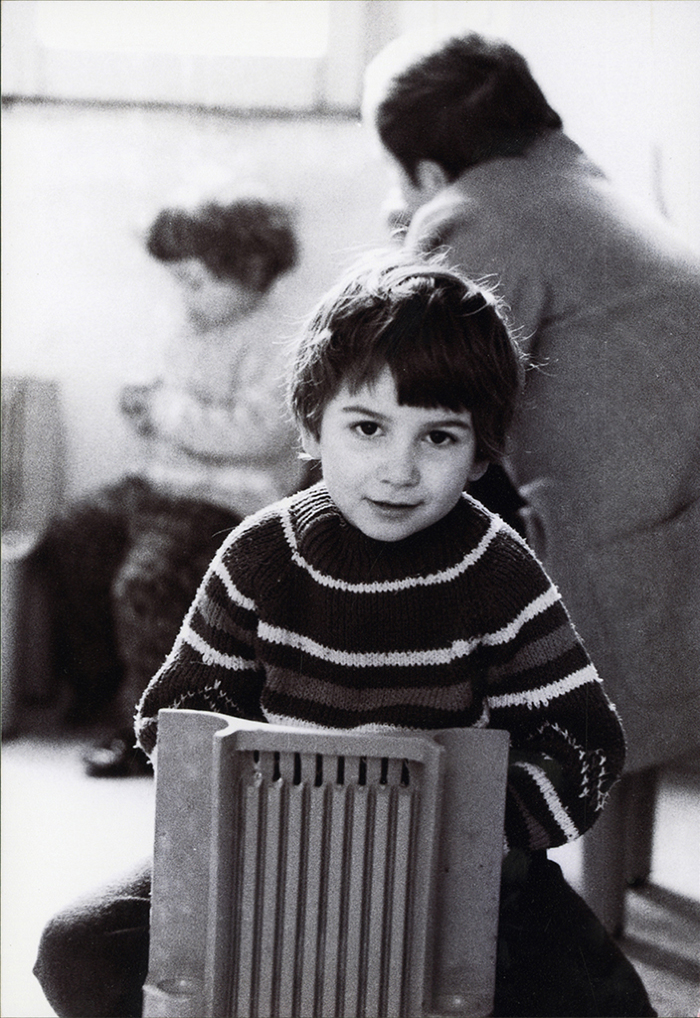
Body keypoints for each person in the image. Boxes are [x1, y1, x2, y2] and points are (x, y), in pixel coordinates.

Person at [34, 254, 654, 1017]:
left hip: (456, 874)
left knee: (599, 1002)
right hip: (269, 860)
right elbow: (177, 712)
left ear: (483, 448)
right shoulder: (261, 554)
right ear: (311, 424)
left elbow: (585, 744)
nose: (398, 469)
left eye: (439, 438)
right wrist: (272, 789)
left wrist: (474, 821)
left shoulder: (499, 572)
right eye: (367, 427)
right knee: (78, 945)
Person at [362, 32, 700, 789]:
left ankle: (465, 846)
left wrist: (410, 232)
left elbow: (412, 389)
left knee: (379, 516)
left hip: (634, 554)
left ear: (424, 170)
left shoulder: (476, 212)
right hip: (672, 527)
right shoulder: (580, 185)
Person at [35, 192, 303, 776]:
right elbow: (161, 391)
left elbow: (257, 435)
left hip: (224, 499)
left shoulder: (281, 339)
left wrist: (164, 411)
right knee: (70, 535)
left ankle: (146, 728)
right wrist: (141, 402)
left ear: (252, 275)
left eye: (198, 283)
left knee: (147, 583)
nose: (186, 297)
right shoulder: (187, 325)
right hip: (159, 485)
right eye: (178, 283)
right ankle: (96, 685)